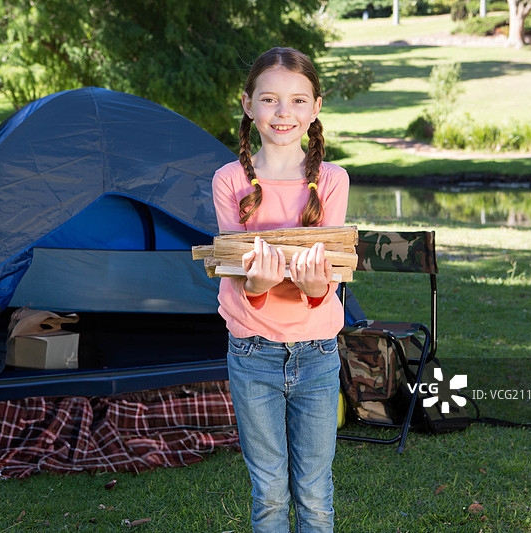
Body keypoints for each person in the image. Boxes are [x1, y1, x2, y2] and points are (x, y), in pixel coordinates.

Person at [212, 47, 349, 532]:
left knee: (314, 491)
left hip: (316, 351)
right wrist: (256, 287)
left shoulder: (332, 180)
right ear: (248, 104)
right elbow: (232, 266)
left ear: (315, 108)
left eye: (296, 101)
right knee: (269, 491)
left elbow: (328, 275)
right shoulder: (230, 180)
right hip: (252, 351)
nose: (283, 112)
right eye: (269, 99)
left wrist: (315, 290)